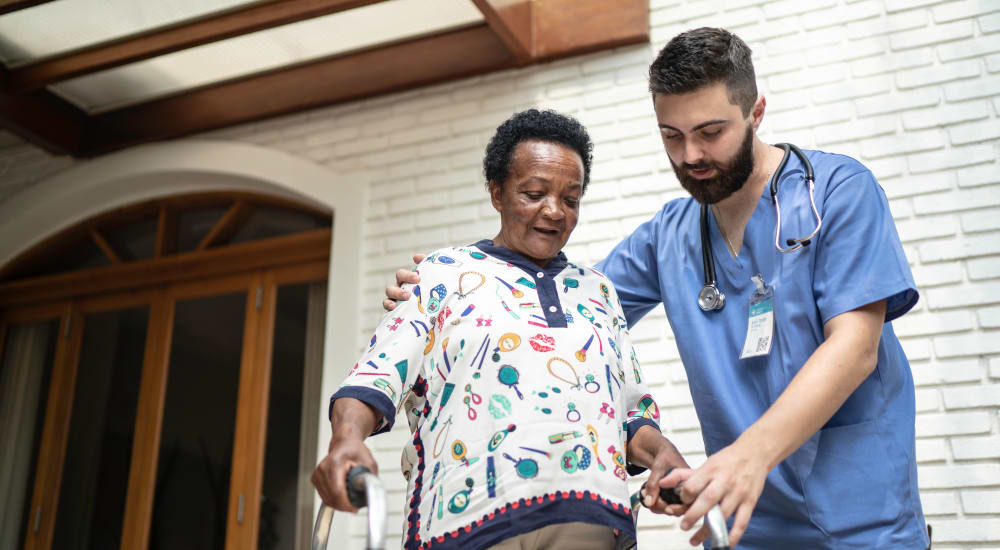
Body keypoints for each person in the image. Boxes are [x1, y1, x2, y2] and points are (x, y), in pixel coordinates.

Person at [384, 28, 929, 549]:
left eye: (710, 132)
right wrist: (453, 291)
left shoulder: (835, 192)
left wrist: (749, 456)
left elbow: (855, 348)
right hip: (744, 523)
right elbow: (562, 319)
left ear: (756, 112)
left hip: (862, 519)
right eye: (672, 136)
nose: (690, 156)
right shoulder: (669, 237)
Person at [312, 109, 687, 550]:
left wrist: (662, 452)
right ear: (497, 192)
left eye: (571, 198)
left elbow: (629, 411)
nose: (555, 211)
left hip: (587, 521)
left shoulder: (599, 292)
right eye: (534, 193)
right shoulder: (442, 274)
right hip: (466, 522)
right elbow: (373, 378)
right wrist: (345, 441)